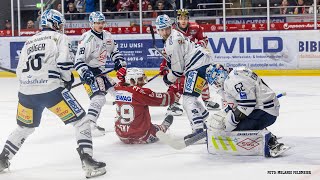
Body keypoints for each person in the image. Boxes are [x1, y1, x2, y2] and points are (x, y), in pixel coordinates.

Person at [0, 9, 106, 178]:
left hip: (26, 94)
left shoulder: (28, 42)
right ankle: (87, 160)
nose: (61, 27)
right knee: (82, 122)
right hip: (51, 91)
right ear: (54, 23)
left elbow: (20, 72)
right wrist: (66, 80)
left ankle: (2, 159)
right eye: (60, 24)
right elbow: (64, 63)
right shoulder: (60, 38)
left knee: (24, 128)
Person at [204, 64, 290, 157]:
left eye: (215, 81)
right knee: (236, 122)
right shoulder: (236, 72)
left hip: (265, 112)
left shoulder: (232, 80)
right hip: (265, 107)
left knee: (236, 132)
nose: (217, 84)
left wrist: (229, 124)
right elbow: (239, 102)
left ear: (219, 75)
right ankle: (263, 132)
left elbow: (247, 105)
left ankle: (269, 142)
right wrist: (225, 114)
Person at [155, 14, 212, 138]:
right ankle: (209, 123)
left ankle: (199, 131)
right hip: (201, 63)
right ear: (157, 30)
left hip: (197, 66)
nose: (164, 32)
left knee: (188, 100)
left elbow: (177, 71)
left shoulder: (172, 42)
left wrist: (167, 79)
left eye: (166, 28)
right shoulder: (174, 34)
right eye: (162, 29)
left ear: (171, 27)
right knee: (192, 97)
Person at [74, 11, 127, 137]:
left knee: (118, 92)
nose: (100, 25)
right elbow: (78, 61)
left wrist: (118, 61)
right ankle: (90, 125)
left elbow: (114, 50)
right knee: (98, 97)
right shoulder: (87, 38)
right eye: (97, 23)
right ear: (92, 24)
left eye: (102, 22)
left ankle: (127, 115)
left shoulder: (107, 35)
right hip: (88, 70)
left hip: (100, 70)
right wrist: (85, 73)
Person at [159, 9, 219, 116]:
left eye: (185, 18)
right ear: (177, 19)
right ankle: (173, 103)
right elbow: (170, 51)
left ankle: (206, 100)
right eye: (180, 18)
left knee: (201, 78)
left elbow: (204, 40)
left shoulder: (195, 27)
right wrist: (165, 64)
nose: (183, 21)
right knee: (181, 79)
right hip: (185, 59)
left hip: (193, 57)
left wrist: (196, 48)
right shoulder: (171, 30)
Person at [114, 67, 180, 144]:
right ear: (131, 80)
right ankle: (162, 127)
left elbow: (123, 86)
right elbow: (162, 100)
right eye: (140, 79)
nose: (143, 82)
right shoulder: (139, 92)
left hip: (122, 135)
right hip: (142, 135)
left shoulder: (118, 89)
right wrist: (173, 95)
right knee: (156, 130)